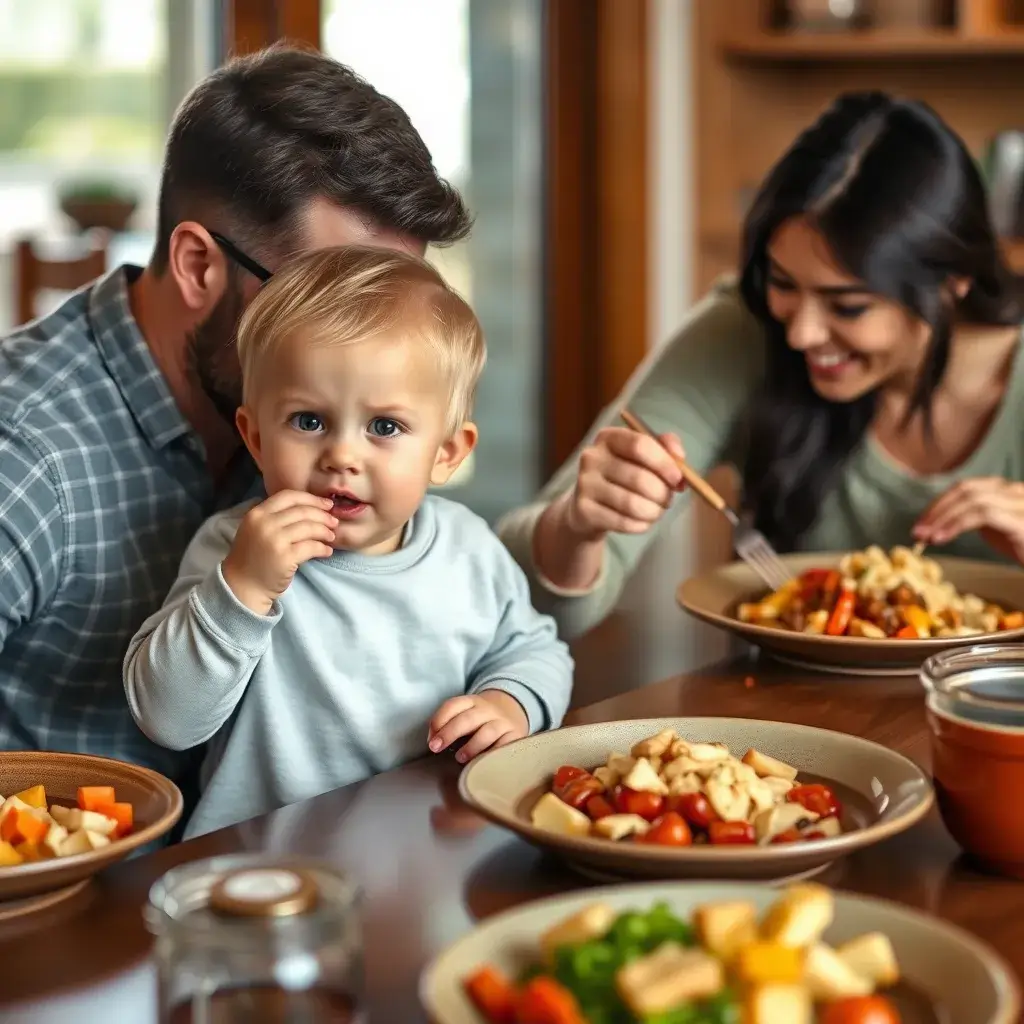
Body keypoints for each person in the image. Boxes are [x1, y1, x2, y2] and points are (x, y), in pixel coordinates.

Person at [0, 44, 471, 778]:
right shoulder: (24, 454)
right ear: (198, 266)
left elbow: (459, 606)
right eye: (326, 294)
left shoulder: (329, 420)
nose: (366, 339)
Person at [498, 91, 1024, 639]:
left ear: (950, 285)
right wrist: (577, 526)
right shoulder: (742, 332)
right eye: (782, 282)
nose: (801, 332)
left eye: (848, 305)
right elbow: (519, 600)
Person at [123, 246, 574, 839]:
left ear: (447, 453)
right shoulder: (235, 549)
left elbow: (539, 653)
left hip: (423, 857)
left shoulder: (469, 551)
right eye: (308, 421)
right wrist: (244, 587)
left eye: (384, 427)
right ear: (255, 437)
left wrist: (509, 702)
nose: (342, 456)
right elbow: (167, 719)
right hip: (262, 872)